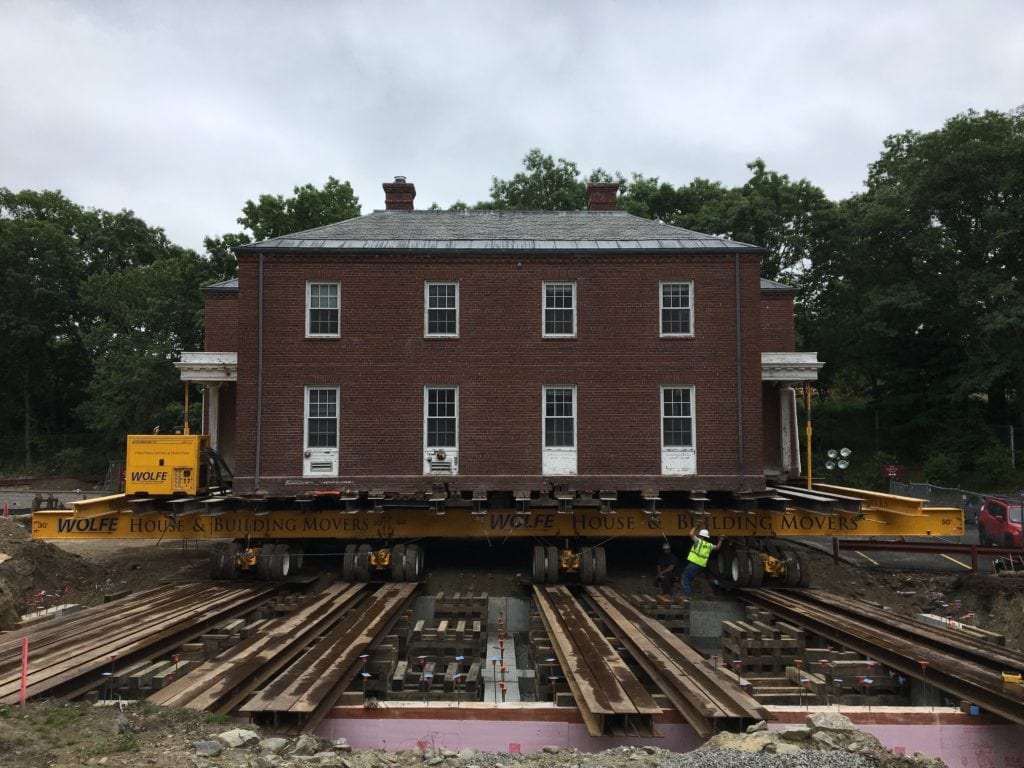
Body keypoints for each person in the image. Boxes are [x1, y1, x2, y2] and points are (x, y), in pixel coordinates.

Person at [681, 525, 722, 598]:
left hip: (694, 564)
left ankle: (687, 596)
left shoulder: (698, 541)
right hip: (701, 566)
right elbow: (718, 548)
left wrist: (696, 526)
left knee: (685, 578)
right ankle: (688, 594)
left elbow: (691, 534)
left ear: (700, 536)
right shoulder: (709, 545)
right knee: (690, 578)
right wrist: (720, 540)